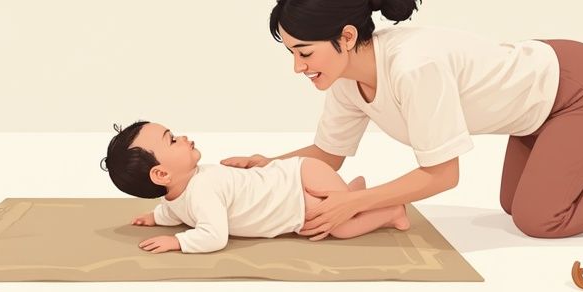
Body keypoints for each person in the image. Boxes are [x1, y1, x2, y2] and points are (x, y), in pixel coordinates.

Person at [220, 0, 583, 240]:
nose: (297, 66)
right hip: (535, 104)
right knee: (515, 203)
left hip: (578, 90)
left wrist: (355, 201)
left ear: (347, 36)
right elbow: (326, 156)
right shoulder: (349, 81)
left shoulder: (413, 67)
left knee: (539, 219)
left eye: (303, 52)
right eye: (291, 53)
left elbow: (442, 175)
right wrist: (270, 165)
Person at [101, 120, 410, 254]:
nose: (183, 138)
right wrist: (157, 218)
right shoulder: (182, 196)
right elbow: (177, 210)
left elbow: (213, 236)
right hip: (297, 195)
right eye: (172, 140)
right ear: (162, 175)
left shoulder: (203, 187)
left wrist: (178, 243)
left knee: (340, 228)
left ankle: (391, 211)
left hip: (300, 183)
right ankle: (351, 191)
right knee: (336, 211)